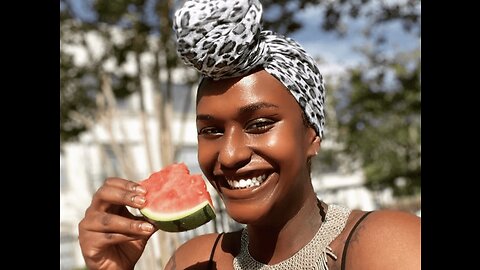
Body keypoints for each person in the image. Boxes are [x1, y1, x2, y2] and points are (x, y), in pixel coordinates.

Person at [78, 0, 421, 269]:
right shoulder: (194, 261)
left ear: (312, 135)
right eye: (210, 130)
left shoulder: (386, 245)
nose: (229, 155)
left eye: (259, 125)